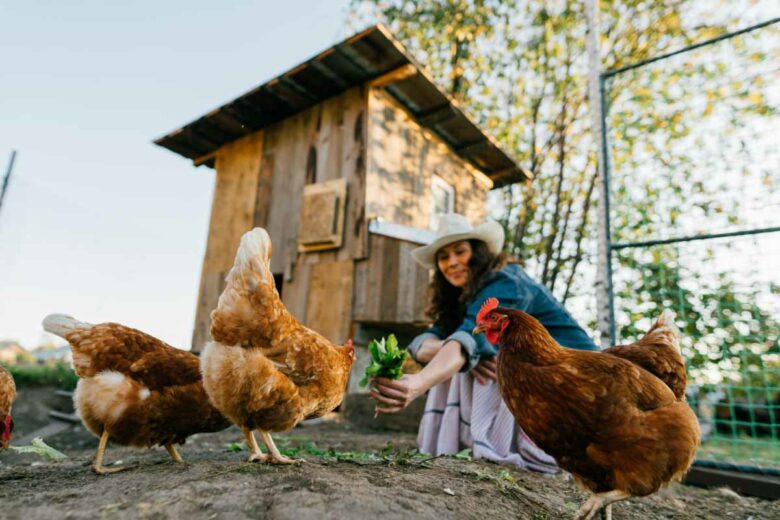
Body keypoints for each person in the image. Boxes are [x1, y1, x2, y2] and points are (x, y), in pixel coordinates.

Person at [369, 213, 597, 472]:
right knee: (462, 358)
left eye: (460, 252)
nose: (452, 262)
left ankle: (511, 448)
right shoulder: (461, 297)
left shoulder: (506, 282)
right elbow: (423, 343)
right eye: (443, 257)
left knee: (467, 360)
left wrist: (418, 383)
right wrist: (460, 351)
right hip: (544, 379)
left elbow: (467, 340)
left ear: (477, 253)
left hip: (582, 384)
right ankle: (465, 442)